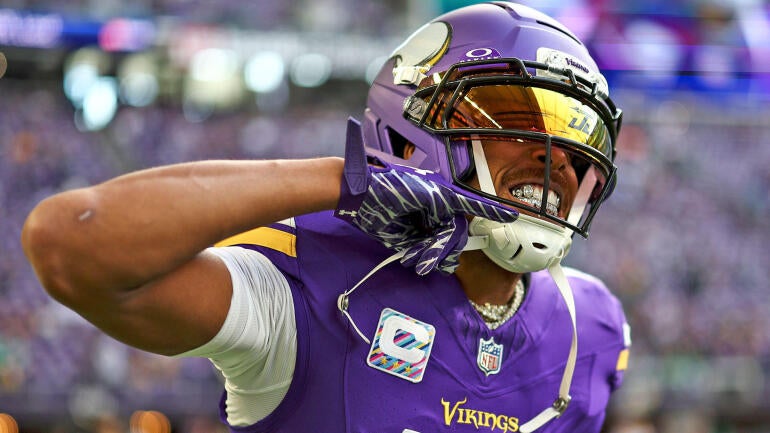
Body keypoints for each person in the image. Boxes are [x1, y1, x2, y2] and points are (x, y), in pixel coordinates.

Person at [21, 2, 631, 432]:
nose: (557, 161)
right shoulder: (310, 283)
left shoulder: (593, 328)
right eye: (516, 121)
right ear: (416, 127)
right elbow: (70, 246)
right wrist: (346, 180)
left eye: (579, 142)